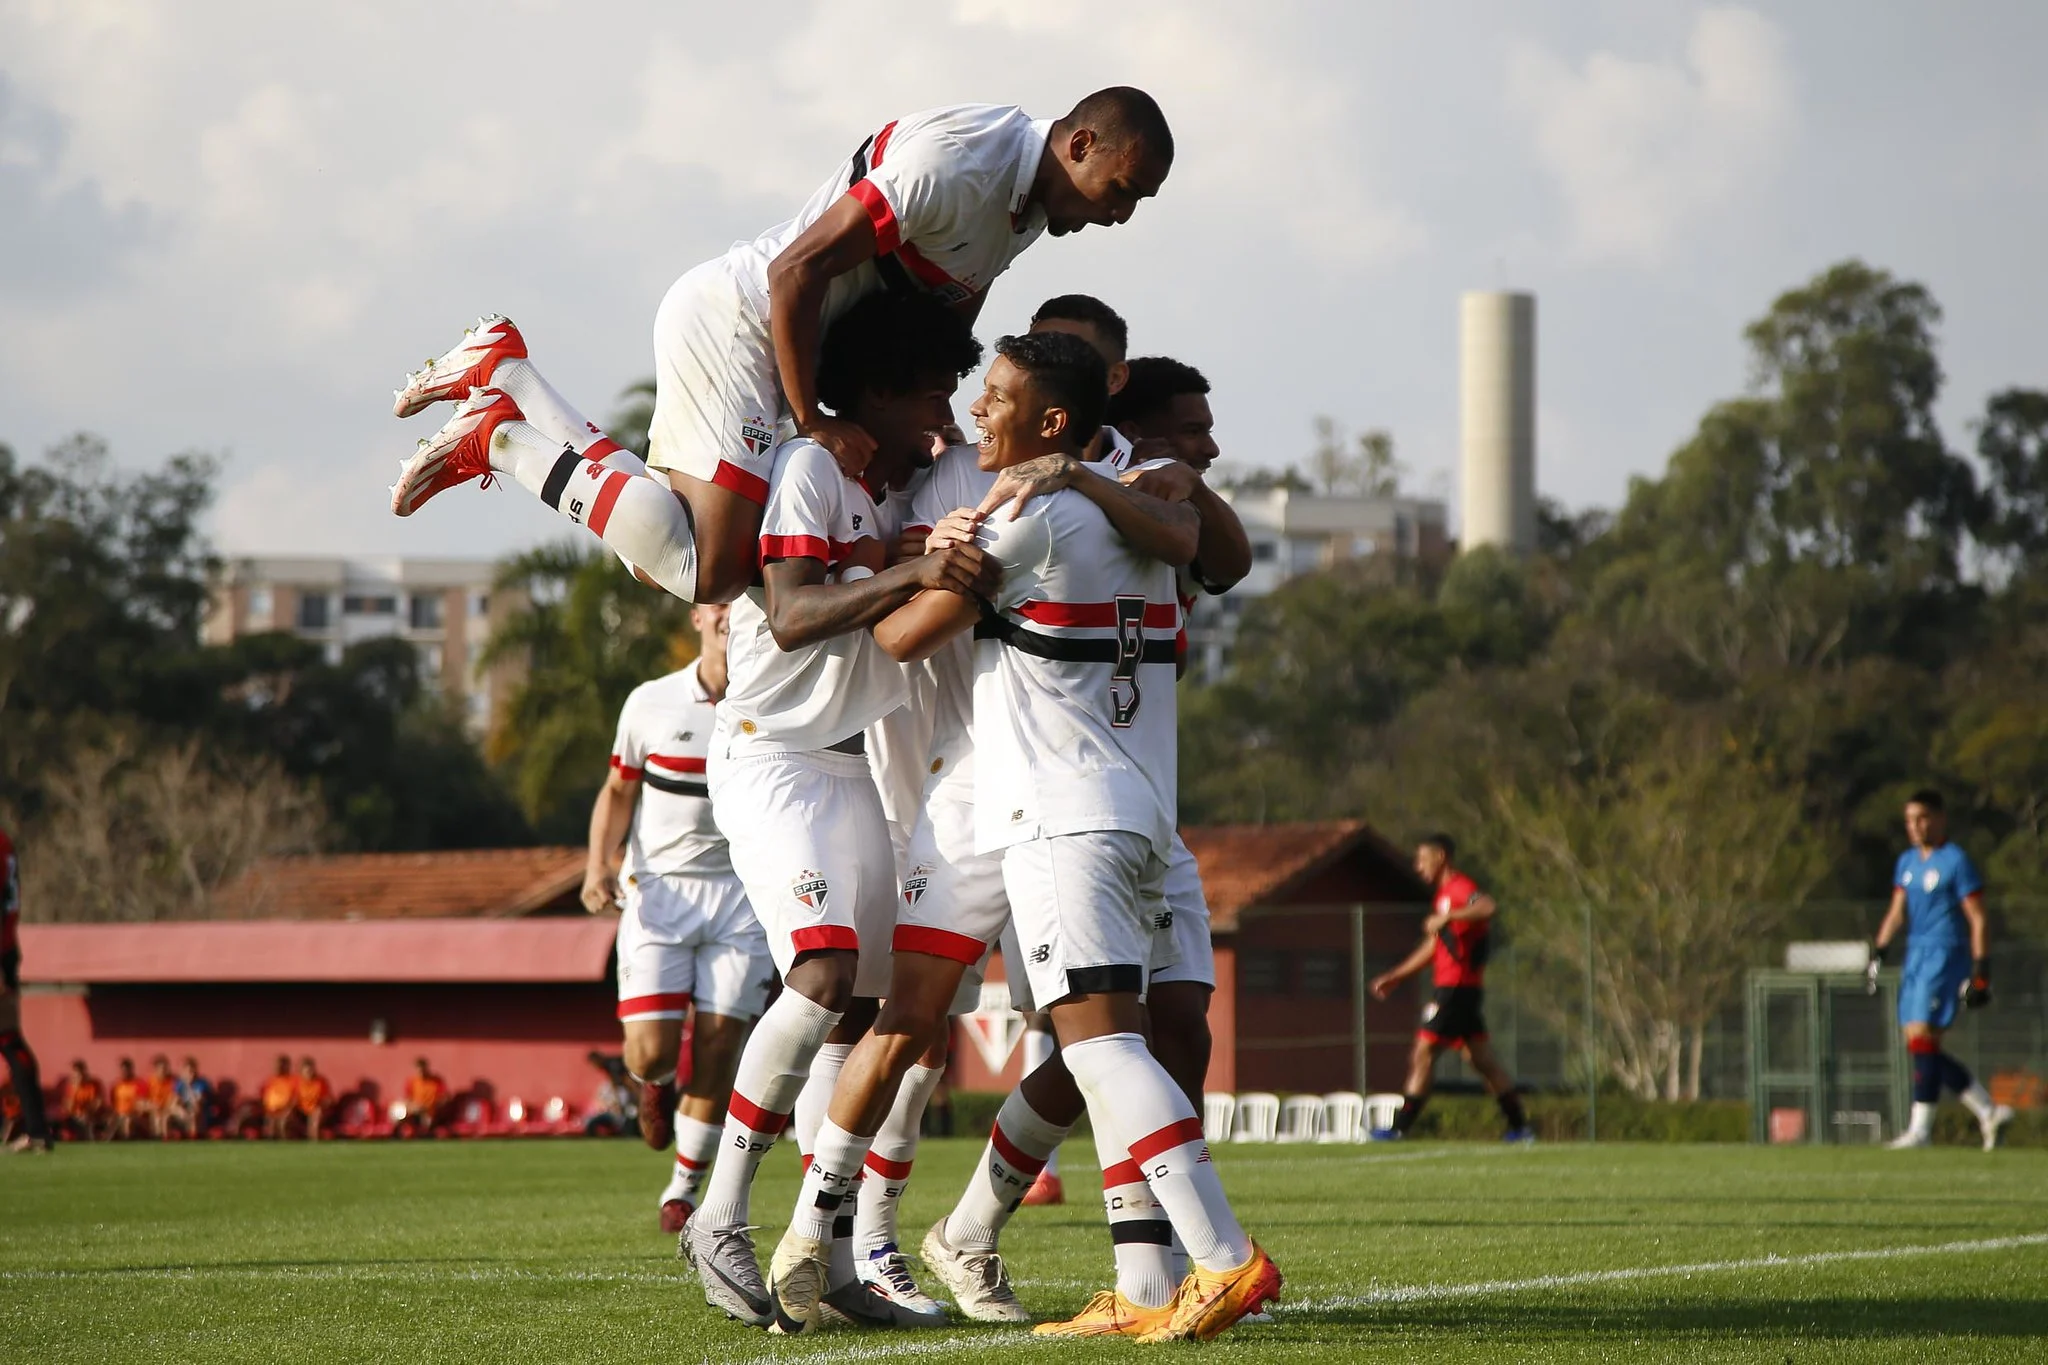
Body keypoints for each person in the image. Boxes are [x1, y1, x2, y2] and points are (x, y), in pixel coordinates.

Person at [847, 331, 1279, 1342]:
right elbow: (1201, 547)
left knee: (1097, 1048)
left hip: (1058, 817)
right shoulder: (1145, 508)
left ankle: (1222, 1260)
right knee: (1113, 1044)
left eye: (993, 395)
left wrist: (914, 562)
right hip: (1138, 813)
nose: (974, 411)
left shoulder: (1033, 521)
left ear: (1050, 422)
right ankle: (1140, 1288)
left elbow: (899, 640)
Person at [385, 90, 1173, 609]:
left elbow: (946, 314)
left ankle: (507, 373)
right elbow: (795, 272)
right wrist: (816, 418)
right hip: (743, 326)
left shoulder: (1029, 205)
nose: (1124, 215)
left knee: (672, 548)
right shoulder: (960, 164)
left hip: (790, 343)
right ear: (1083, 143)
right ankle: (500, 436)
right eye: (1125, 190)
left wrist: (934, 412)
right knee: (712, 570)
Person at [677, 290, 991, 1330]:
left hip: (847, 767)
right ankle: (718, 1212)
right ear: (878, 389)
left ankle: (841, 1258)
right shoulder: (810, 469)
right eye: (933, 389)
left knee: (856, 1013)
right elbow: (795, 612)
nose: (944, 411)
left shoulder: (874, 479)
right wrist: (914, 566)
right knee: (814, 974)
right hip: (773, 761)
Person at [582, 600, 774, 1233]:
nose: (728, 615)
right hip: (659, 896)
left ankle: (683, 1190)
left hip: (740, 896)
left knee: (721, 1047)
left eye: (741, 604)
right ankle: (653, 1080)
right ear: (698, 617)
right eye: (717, 604)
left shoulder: (774, 696)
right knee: (651, 1049)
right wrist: (597, 867)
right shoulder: (650, 703)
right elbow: (617, 791)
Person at [1868, 789, 2014, 1150]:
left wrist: (1982, 970)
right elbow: (1897, 910)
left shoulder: (1956, 861)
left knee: (1921, 1037)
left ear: (1939, 818)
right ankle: (1988, 1110)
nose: (1916, 826)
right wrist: (1879, 951)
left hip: (1945, 956)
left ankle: (1920, 1131)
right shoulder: (1907, 862)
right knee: (1920, 1045)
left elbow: (1978, 918)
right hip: (1916, 956)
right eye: (1909, 820)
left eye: (1922, 818)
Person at [1367, 835, 1532, 1143]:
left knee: (1423, 1052)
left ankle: (1399, 1128)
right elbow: (1435, 946)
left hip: (1454, 989)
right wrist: (1397, 975)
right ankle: (1520, 1128)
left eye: (1421, 859)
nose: (1417, 867)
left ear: (1440, 857)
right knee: (1482, 1061)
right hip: (1460, 990)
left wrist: (1449, 915)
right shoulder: (1444, 895)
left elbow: (1487, 906)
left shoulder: (1458, 888)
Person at [1, 825, 52, 1153]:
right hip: (7, 948)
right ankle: (36, 1130)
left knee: (9, 1039)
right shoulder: (5, 840)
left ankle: (36, 1130)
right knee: (8, 1038)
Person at [399, 1057, 447, 1137]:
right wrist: (414, 1106)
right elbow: (407, 1099)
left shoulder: (436, 1081)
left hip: (431, 1111)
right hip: (415, 1111)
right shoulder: (412, 1082)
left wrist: (431, 1106)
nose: (421, 1072)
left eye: (422, 1069)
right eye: (419, 1070)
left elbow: (444, 1098)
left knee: (427, 1120)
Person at [169, 1057, 213, 1139]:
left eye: (192, 1071)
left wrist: (189, 1086)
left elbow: (198, 1102)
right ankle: (161, 1136)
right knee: (169, 1113)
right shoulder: (179, 1084)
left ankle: (193, 1136)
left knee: (194, 1111)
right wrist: (180, 1111)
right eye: (187, 1071)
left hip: (200, 1112)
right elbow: (173, 1103)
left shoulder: (201, 1083)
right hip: (185, 1110)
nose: (190, 1074)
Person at [62, 1059, 105, 1141]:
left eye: (80, 1072)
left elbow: (98, 1102)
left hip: (90, 1115)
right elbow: (68, 1106)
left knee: (89, 1122)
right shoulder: (71, 1087)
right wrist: (75, 1090)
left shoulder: (94, 1084)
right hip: (75, 1116)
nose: (78, 1075)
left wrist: (88, 1112)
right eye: (76, 1073)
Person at [296, 1057, 335, 1140]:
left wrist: (320, 1106)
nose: (309, 1073)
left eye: (311, 1070)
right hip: (301, 1111)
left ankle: (314, 1140)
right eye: (306, 1071)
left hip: (317, 1109)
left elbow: (328, 1099)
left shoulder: (321, 1082)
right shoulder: (297, 1082)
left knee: (316, 1115)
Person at [260, 1055, 298, 1140]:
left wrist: (288, 1111)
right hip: (271, 1111)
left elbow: (295, 1098)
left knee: (283, 1123)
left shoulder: (294, 1080)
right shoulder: (270, 1080)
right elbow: (264, 1097)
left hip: (287, 1111)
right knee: (270, 1126)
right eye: (276, 1065)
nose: (278, 1068)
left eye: (281, 1065)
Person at [109, 1057, 147, 1140]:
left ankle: (127, 1140)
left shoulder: (139, 1083)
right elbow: (113, 1103)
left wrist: (132, 1113)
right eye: (123, 1071)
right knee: (111, 1120)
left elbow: (141, 1103)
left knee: (127, 1120)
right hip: (118, 1114)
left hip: (134, 1115)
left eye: (126, 1070)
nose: (124, 1073)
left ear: (131, 1070)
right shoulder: (116, 1085)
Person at [145, 1056, 177, 1139]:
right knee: (156, 1116)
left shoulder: (174, 1081)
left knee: (166, 1116)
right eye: (161, 1068)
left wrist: (168, 1108)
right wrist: (151, 1106)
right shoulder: (150, 1082)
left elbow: (175, 1097)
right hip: (154, 1109)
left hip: (169, 1109)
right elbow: (142, 1100)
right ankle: (157, 1136)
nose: (164, 1071)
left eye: (165, 1068)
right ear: (156, 1069)